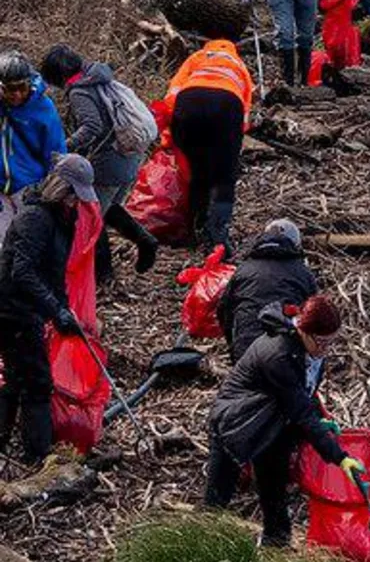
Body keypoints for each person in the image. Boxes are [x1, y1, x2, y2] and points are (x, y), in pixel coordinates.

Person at [205, 294, 366, 547]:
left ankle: (276, 545)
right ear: (303, 330)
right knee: (216, 500)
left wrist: (321, 421)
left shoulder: (310, 351)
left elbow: (305, 395)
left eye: (332, 342)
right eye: (322, 342)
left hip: (272, 424)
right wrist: (338, 456)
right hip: (237, 423)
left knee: (275, 491)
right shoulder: (278, 354)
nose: (326, 349)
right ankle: (198, 548)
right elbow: (299, 407)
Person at [0, 155, 96, 463]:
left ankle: (7, 439)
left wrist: (64, 310)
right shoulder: (35, 218)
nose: (74, 202)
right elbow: (22, 271)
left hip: (29, 309)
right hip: (11, 309)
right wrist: (55, 309)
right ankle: (37, 454)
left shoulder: (62, 220)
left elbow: (54, 273)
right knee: (37, 381)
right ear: (59, 188)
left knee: (17, 377)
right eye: (71, 194)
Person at [38, 45, 158, 283]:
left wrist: (62, 149)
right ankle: (144, 240)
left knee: (91, 216)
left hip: (110, 162)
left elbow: (92, 127)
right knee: (108, 207)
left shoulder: (79, 92)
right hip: (129, 156)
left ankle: (103, 275)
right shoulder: (97, 76)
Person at [165, 40, 254, 254]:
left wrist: (171, 134)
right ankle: (218, 238)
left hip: (188, 102)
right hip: (228, 104)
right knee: (225, 177)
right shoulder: (239, 65)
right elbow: (245, 109)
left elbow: (172, 92)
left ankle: (192, 230)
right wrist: (232, 143)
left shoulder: (197, 58)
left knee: (197, 171)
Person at [217, 218, 319, 362]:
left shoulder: (243, 270)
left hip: (246, 350)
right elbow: (316, 318)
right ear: (295, 245)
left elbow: (223, 311)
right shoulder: (303, 274)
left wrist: (233, 345)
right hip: (285, 353)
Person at [0, 51, 66, 242]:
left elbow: (56, 153)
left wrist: (54, 191)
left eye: (22, 87)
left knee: (29, 242)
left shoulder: (43, 108)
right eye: (10, 89)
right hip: (1, 190)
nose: (17, 95)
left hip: (29, 187)